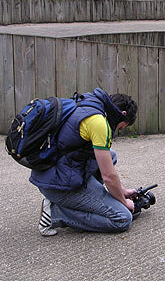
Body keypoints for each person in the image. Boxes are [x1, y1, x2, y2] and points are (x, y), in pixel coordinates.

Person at [30, 88, 140, 236]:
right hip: (57, 184)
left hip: (51, 172)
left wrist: (123, 191)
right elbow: (108, 176)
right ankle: (55, 213)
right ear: (123, 115)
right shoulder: (99, 123)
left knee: (110, 155)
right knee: (122, 218)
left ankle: (87, 200)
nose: (120, 129)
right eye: (123, 126)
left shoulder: (90, 103)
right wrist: (123, 201)